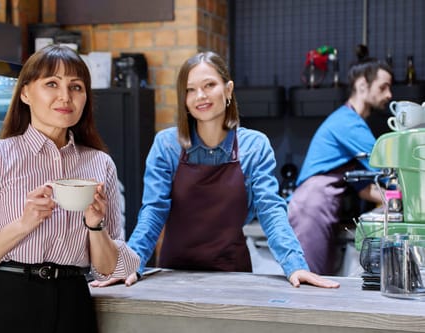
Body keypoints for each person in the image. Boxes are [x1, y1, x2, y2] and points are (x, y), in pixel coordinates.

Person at [0, 45, 140, 333]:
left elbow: (107, 268)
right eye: (51, 84)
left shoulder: (100, 163)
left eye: (76, 87)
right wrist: (24, 223)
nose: (65, 96)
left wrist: (96, 226)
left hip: (73, 306)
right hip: (3, 304)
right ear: (26, 93)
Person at [92, 51, 339, 289]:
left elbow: (270, 211)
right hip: (173, 276)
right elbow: (153, 212)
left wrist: (295, 266)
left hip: (234, 275)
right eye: (190, 90)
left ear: (228, 89)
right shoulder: (167, 145)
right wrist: (130, 265)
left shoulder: (254, 146)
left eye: (209, 85)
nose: (200, 95)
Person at [288, 53, 393, 275]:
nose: (389, 95)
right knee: (310, 288)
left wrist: (394, 202)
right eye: (383, 87)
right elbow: (388, 171)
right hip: (312, 207)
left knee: (318, 285)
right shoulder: (349, 124)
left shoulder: (349, 122)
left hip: (315, 206)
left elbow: (363, 187)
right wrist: (403, 192)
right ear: (362, 85)